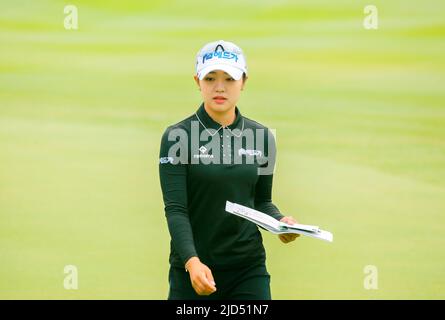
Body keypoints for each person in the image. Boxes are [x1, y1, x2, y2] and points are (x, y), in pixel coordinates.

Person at [159, 40, 299, 300]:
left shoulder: (262, 137)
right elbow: (176, 210)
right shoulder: (177, 136)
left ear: (243, 82)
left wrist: (280, 223)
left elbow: (261, 201)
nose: (219, 87)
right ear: (197, 81)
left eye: (230, 79)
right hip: (194, 270)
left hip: (247, 269)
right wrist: (192, 262)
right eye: (210, 78)